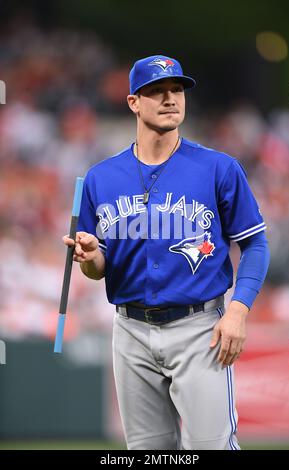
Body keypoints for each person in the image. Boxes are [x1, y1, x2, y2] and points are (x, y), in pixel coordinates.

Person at [63, 55, 270, 450]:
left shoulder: (218, 168)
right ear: (133, 103)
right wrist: (91, 259)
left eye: (176, 90)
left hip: (200, 329)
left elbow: (255, 243)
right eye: (156, 91)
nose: (170, 98)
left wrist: (239, 311)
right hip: (129, 330)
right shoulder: (100, 178)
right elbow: (99, 268)